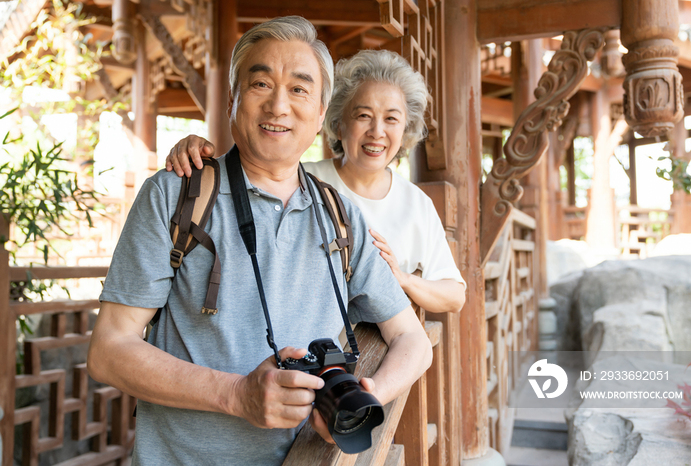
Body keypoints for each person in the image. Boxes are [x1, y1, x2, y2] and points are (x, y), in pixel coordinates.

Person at [87, 16, 432, 466]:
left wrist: (367, 394)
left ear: (323, 109)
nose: (279, 106)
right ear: (233, 98)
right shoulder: (176, 196)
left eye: (300, 88)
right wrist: (236, 395)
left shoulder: (341, 216)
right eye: (261, 84)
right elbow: (109, 351)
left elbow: (413, 340)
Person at [167, 49, 466, 315]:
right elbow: (237, 176)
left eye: (391, 119)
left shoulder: (416, 203)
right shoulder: (298, 180)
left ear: (406, 128)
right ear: (336, 122)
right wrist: (194, 150)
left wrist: (402, 279)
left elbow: (454, 296)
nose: (377, 132)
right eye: (363, 115)